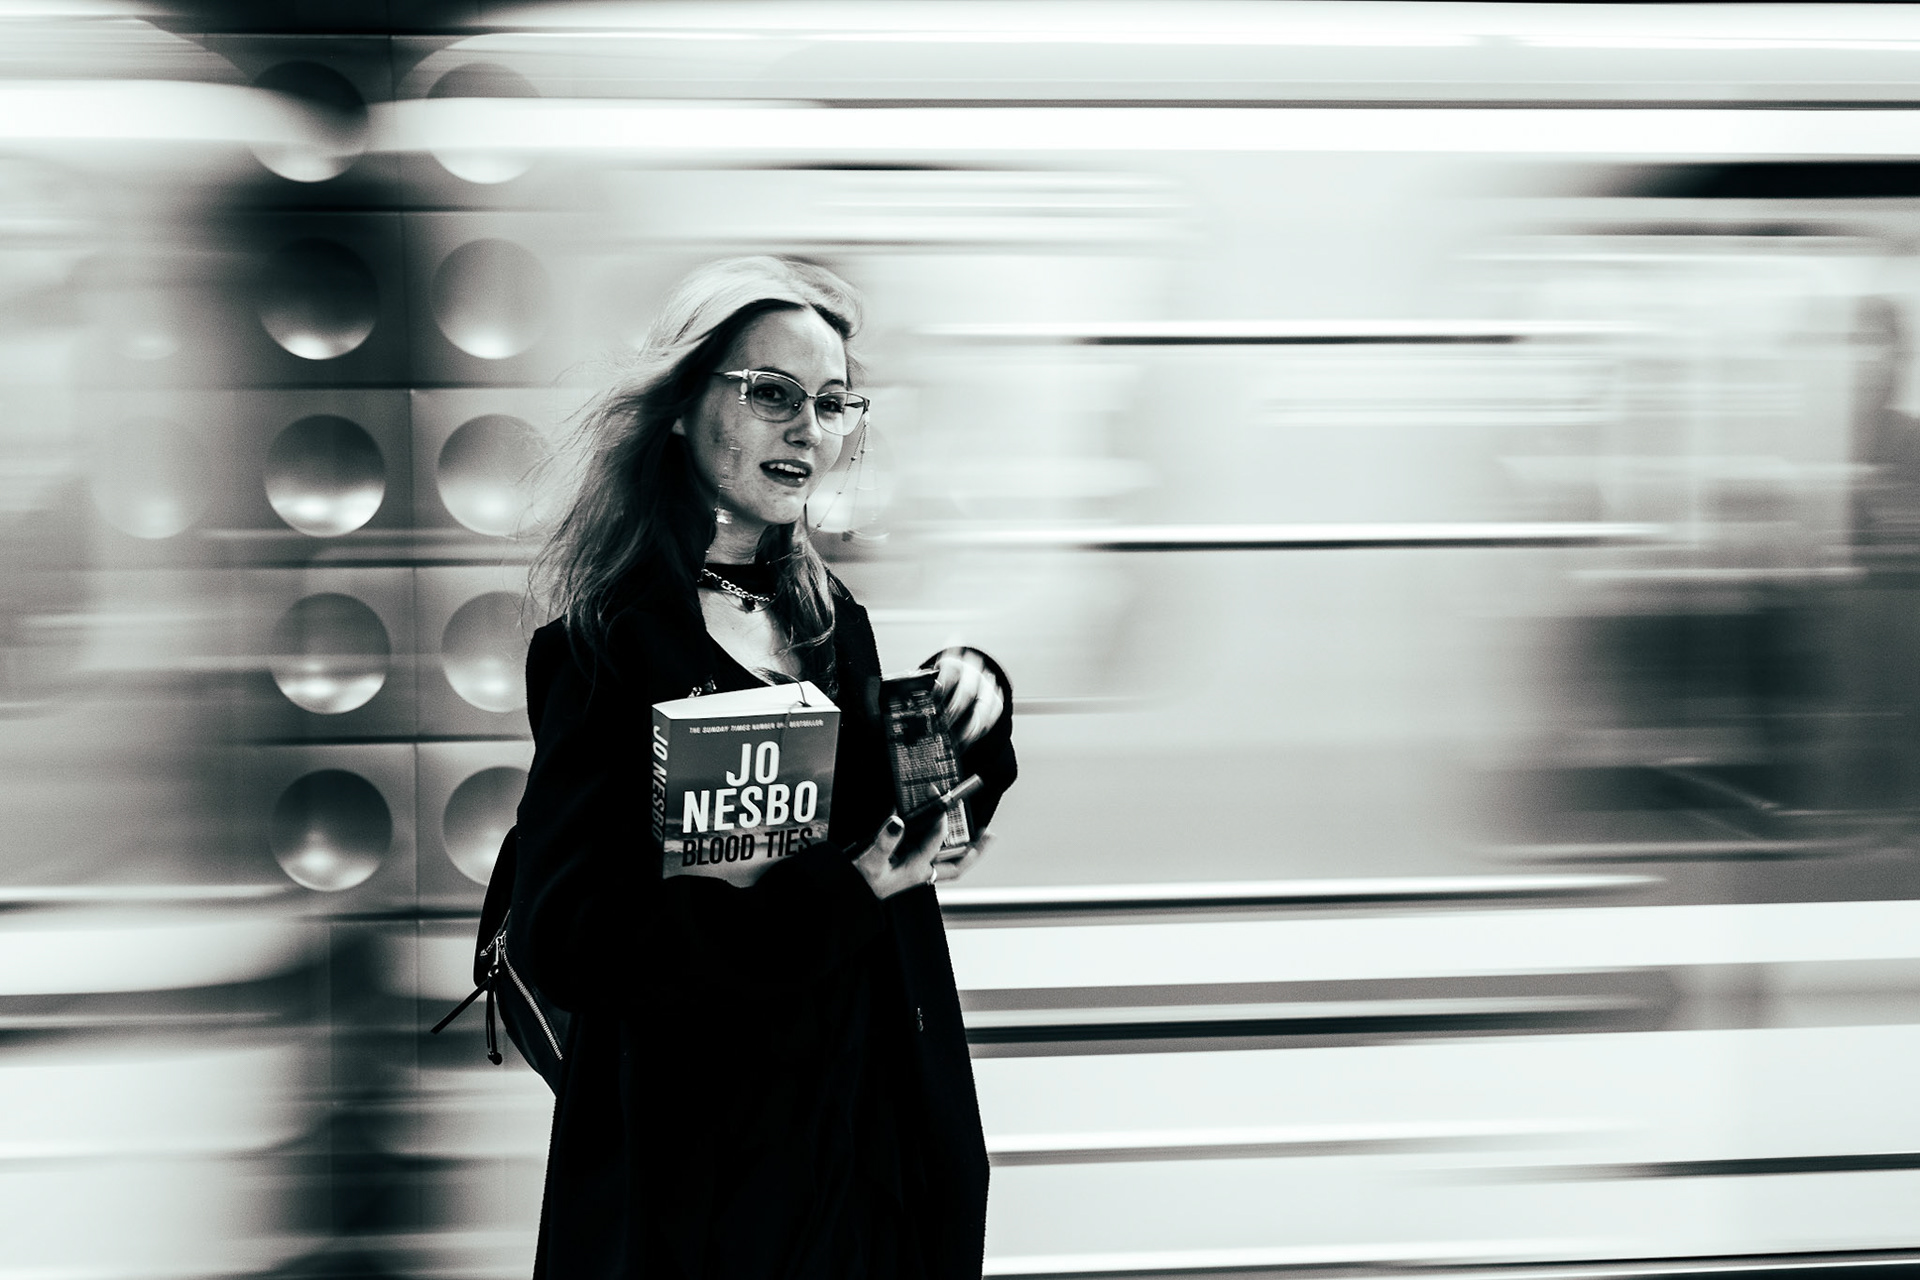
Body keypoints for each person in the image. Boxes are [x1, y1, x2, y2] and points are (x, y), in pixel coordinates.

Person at [508, 255, 1016, 1280]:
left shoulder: (831, 622)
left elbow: (892, 819)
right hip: (706, 1188)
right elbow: (568, 938)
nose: (808, 431)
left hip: (867, 1153)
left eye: (830, 403)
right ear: (682, 408)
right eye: (772, 394)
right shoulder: (608, 651)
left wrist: (974, 705)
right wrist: (843, 891)